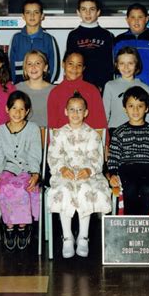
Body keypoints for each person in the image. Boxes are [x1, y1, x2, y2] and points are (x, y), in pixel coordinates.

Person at [47, 92, 112, 258]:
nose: (75, 114)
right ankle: (67, 236)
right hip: (65, 173)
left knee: (85, 190)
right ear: (65, 112)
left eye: (79, 110)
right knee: (64, 191)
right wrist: (61, 168)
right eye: (72, 110)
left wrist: (89, 170)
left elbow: (96, 157)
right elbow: (54, 155)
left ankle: (83, 236)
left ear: (86, 112)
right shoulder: (59, 134)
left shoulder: (92, 134)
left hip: (87, 174)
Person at [0, 91, 42, 251]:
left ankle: (23, 226)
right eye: (14, 108)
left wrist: (35, 173)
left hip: (26, 169)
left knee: (25, 187)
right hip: (7, 168)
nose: (17, 113)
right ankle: (9, 227)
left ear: (27, 111)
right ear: (7, 109)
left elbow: (34, 154)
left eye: (21, 109)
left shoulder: (33, 129)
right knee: (5, 187)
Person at [108, 86, 149, 215]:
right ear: (125, 109)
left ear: (146, 109)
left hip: (148, 168)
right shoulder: (119, 132)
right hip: (127, 168)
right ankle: (131, 224)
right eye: (131, 106)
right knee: (129, 188)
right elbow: (113, 157)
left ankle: (145, 224)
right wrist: (112, 174)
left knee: (147, 188)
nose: (135, 110)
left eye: (140, 106)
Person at [113, 3, 149, 93]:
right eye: (133, 17)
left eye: (140, 17)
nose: (136, 21)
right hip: (124, 91)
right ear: (127, 20)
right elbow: (113, 67)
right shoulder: (118, 41)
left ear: (146, 19)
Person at [47, 51, 107, 131]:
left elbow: (100, 120)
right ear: (63, 64)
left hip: (89, 140)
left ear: (83, 68)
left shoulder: (92, 90)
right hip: (62, 141)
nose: (74, 68)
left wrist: (104, 142)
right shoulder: (55, 92)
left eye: (79, 65)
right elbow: (52, 123)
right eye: (70, 63)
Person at [66, 0, 114, 91]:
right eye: (84, 9)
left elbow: (109, 64)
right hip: (78, 84)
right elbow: (69, 63)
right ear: (78, 12)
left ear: (98, 12)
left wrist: (104, 85)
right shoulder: (73, 35)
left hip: (101, 85)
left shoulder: (107, 35)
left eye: (92, 9)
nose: (88, 13)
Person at [9, 0, 60, 84]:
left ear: (42, 16)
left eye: (36, 12)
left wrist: (47, 85)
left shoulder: (49, 39)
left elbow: (54, 67)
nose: (32, 16)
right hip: (21, 86)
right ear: (23, 16)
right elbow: (10, 64)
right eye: (28, 12)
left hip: (42, 87)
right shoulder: (16, 38)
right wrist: (15, 85)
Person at [102, 46, 149, 134]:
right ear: (116, 65)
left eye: (130, 63)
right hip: (115, 131)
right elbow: (104, 115)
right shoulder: (110, 86)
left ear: (136, 65)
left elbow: (148, 117)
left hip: (138, 132)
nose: (126, 67)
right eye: (122, 63)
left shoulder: (145, 88)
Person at [15, 50, 54, 128]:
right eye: (29, 64)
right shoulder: (17, 89)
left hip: (46, 136)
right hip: (23, 137)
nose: (33, 67)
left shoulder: (54, 91)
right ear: (25, 68)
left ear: (45, 68)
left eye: (37, 63)